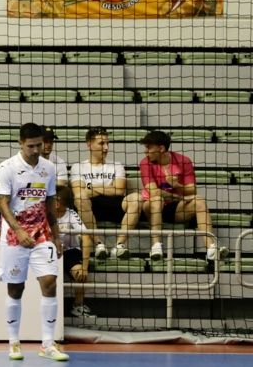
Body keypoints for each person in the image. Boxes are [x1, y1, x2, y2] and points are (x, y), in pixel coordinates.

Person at [0, 122, 67, 362]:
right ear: (21, 144)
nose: (36, 150)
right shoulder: (8, 168)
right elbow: (3, 203)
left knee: (49, 282)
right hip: (15, 236)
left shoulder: (49, 168)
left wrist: (56, 235)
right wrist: (19, 230)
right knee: (16, 289)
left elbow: (50, 203)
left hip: (42, 234)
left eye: (40, 145)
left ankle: (47, 343)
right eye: (31, 146)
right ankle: (14, 342)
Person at [114, 130, 227, 263]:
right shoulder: (145, 163)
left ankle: (210, 249)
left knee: (199, 201)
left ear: (161, 148)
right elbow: (154, 192)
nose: (146, 151)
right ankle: (156, 246)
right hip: (150, 207)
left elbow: (192, 190)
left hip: (174, 209)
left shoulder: (183, 161)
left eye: (149, 147)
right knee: (157, 200)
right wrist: (179, 197)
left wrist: (177, 185)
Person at [70, 126, 126, 261]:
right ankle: (99, 244)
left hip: (114, 207)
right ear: (89, 144)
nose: (106, 147)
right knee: (80, 197)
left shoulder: (117, 165)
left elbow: (119, 190)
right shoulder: (78, 167)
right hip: (90, 208)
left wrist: (90, 186)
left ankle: (119, 245)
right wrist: (108, 188)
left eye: (107, 143)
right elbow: (79, 191)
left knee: (135, 199)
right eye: (101, 143)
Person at [52, 186, 94, 325]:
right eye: (53, 200)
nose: (55, 203)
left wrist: (85, 266)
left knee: (80, 275)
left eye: (58, 200)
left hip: (70, 251)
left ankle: (78, 306)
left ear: (64, 202)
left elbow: (86, 237)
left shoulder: (71, 215)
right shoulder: (44, 215)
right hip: (49, 251)